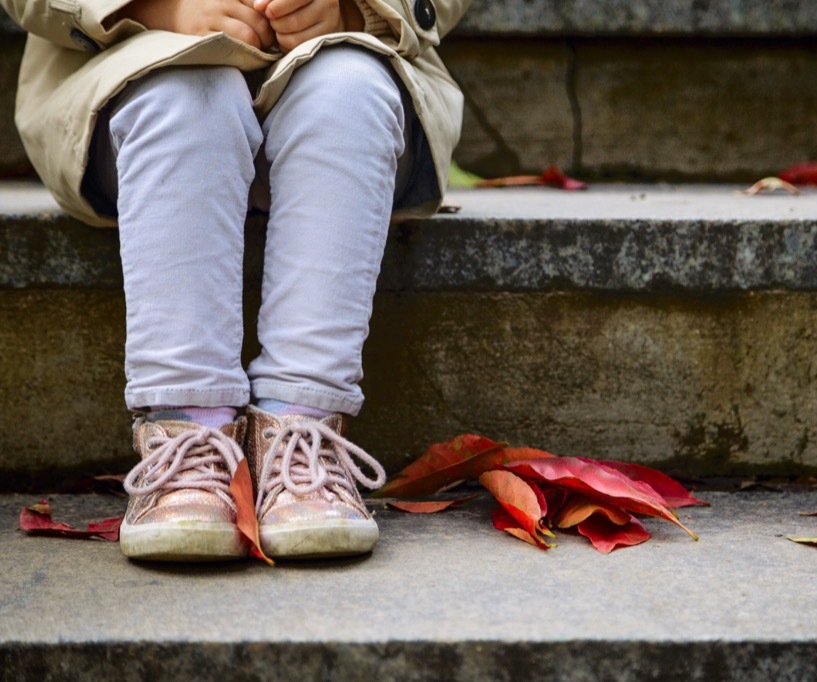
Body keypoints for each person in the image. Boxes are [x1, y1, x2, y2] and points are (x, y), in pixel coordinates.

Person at [1, 0, 473, 560]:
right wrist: (158, 9)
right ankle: (185, 431)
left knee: (347, 91)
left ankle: (303, 427)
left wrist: (358, 11)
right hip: (130, 71)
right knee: (184, 96)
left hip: (358, 73)